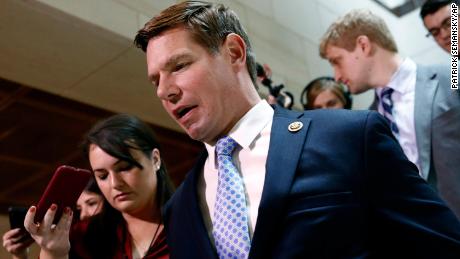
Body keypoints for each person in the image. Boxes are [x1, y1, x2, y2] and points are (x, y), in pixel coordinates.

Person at [134, 1, 460, 258]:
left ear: (233, 52)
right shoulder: (178, 210)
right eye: (154, 81)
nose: (164, 91)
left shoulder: (347, 138)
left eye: (178, 66)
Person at [319, 8, 460, 219]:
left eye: (337, 61)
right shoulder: (368, 123)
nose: (336, 76)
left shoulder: (451, 75)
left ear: (363, 45)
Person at [22, 114, 173, 259]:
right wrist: (54, 253)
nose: (115, 184)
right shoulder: (84, 237)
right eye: (102, 176)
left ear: (155, 160)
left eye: (125, 167)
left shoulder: (190, 220)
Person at [2, 179, 104, 259]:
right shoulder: (73, 237)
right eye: (79, 208)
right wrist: (19, 255)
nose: (83, 215)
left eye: (91, 203)